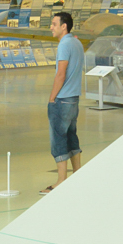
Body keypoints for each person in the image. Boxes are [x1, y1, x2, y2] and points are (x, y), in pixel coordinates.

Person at [43, 11, 83, 194]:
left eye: (53, 24)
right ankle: (77, 174)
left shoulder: (64, 45)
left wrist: (52, 98)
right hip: (74, 99)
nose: (51, 27)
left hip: (63, 99)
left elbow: (61, 73)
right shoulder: (77, 43)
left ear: (63, 26)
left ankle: (61, 181)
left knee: (58, 139)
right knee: (71, 136)